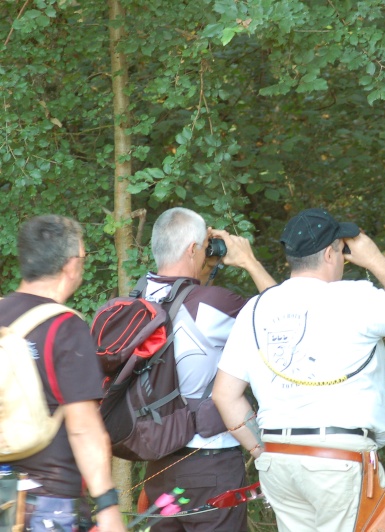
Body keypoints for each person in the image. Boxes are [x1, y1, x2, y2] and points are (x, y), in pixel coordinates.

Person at [212, 207, 385, 532]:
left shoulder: (257, 307)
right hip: (338, 463)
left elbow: (224, 396)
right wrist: (374, 259)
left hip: (278, 461)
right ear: (332, 253)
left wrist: (261, 449)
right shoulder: (355, 296)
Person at [141, 207, 276, 532]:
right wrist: (248, 261)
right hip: (210, 467)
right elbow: (283, 316)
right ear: (192, 250)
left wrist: (202, 266)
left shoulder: (135, 302)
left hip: (157, 466)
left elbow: (181, 297)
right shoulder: (216, 303)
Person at [0, 215, 125, 532]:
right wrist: (108, 507)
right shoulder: (64, 326)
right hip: (50, 506)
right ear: (71, 265)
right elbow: (84, 428)